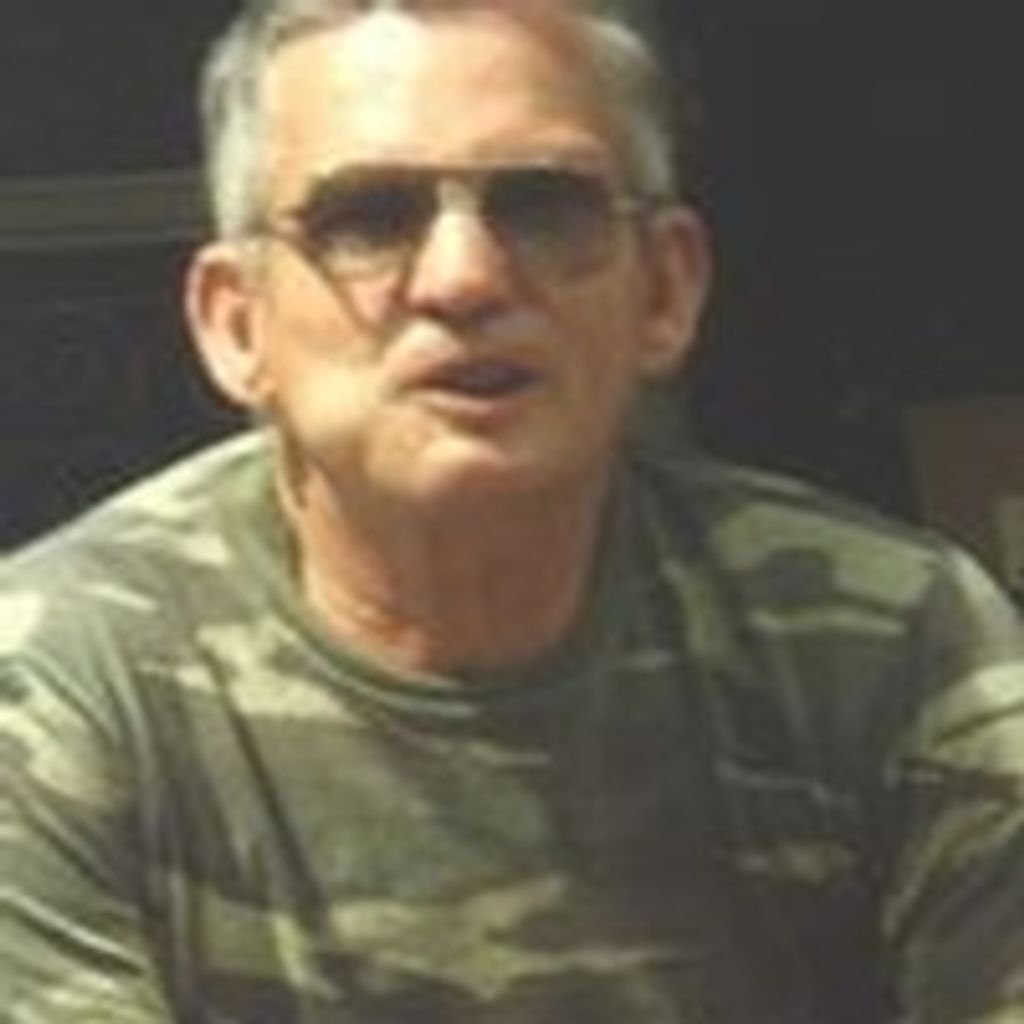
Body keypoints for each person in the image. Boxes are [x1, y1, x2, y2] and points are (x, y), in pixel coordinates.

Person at [3, 0, 1023, 1020]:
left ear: (665, 290)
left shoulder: (890, 639)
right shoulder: (56, 687)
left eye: (544, 207)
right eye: (368, 217)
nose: (464, 279)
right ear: (237, 324)